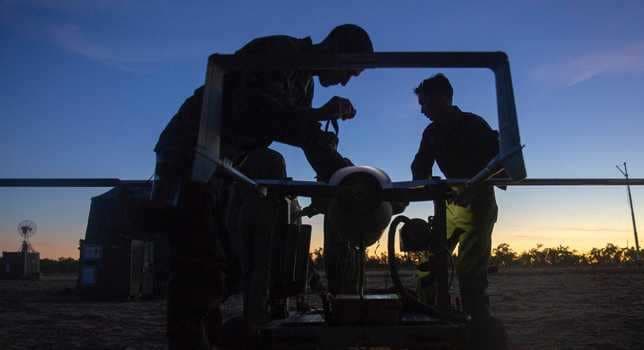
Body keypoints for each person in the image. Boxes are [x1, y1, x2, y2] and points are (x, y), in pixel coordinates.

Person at [152, 24, 373, 349]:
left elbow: (302, 131)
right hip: (190, 154)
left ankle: (205, 337)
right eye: (349, 72)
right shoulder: (279, 53)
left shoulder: (304, 82)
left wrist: (341, 176)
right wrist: (341, 171)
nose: (345, 81)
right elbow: (265, 115)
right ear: (335, 51)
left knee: (217, 261)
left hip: (225, 166)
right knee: (196, 260)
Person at [409, 73, 501, 347]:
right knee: (428, 265)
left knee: (470, 273)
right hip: (449, 205)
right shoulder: (432, 132)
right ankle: (428, 320)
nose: (422, 110)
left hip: (478, 205)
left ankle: (477, 332)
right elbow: (420, 166)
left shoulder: (474, 124)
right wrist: (422, 183)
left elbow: (498, 161)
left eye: (425, 103)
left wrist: (474, 186)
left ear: (443, 98)